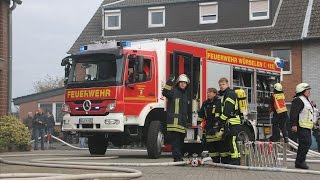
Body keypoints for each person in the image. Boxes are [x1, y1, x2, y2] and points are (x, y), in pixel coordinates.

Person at [162, 74, 189, 162]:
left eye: (184, 83)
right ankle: (177, 158)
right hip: (174, 123)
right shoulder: (173, 91)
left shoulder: (185, 95)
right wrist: (170, 81)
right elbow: (165, 92)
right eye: (181, 82)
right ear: (178, 83)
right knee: (176, 142)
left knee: (181, 142)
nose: (182, 84)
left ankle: (179, 157)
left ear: (186, 84)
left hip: (182, 123)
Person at [198, 88, 229, 163]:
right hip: (209, 128)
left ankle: (225, 162)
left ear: (215, 93)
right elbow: (201, 114)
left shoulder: (219, 102)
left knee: (221, 146)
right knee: (211, 147)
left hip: (218, 127)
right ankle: (215, 162)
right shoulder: (205, 104)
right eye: (207, 92)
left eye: (210, 92)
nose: (208, 94)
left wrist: (221, 125)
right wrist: (199, 123)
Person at [290, 83, 315, 169]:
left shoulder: (306, 100)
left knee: (305, 143)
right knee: (306, 143)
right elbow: (293, 113)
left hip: (306, 126)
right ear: (302, 91)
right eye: (307, 90)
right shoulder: (298, 100)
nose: (309, 91)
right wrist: (294, 125)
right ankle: (300, 161)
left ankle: (299, 162)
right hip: (301, 126)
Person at [216, 77, 241, 165]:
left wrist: (221, 120)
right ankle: (232, 159)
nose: (221, 86)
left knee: (232, 141)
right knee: (229, 141)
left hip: (233, 121)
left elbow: (228, 109)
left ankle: (236, 160)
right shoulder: (225, 94)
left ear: (227, 84)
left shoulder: (230, 94)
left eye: (223, 84)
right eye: (220, 85)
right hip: (229, 122)